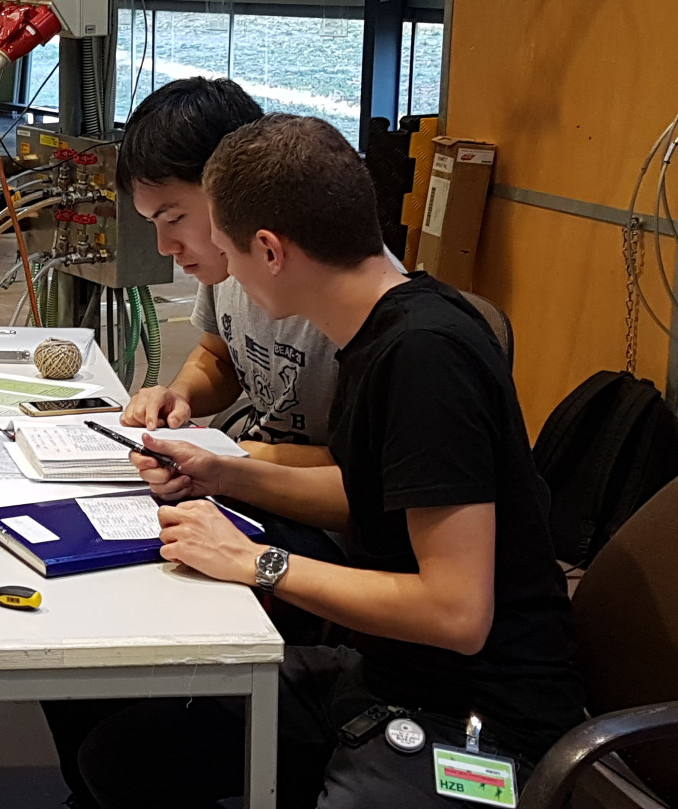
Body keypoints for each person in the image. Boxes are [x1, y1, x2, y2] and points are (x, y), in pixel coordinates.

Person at [69, 115, 584, 808]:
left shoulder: (425, 359)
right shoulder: (381, 336)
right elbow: (377, 504)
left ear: (271, 251)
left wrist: (256, 562)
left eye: (226, 249)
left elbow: (458, 614)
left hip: (481, 721)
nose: (221, 274)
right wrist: (220, 472)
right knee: (123, 754)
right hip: (391, 672)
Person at [116, 77, 340, 467]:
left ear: (231, 185)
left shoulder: (341, 298)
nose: (165, 247)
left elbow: (370, 482)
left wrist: (236, 463)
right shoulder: (229, 267)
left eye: (175, 218)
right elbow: (217, 355)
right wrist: (180, 394)